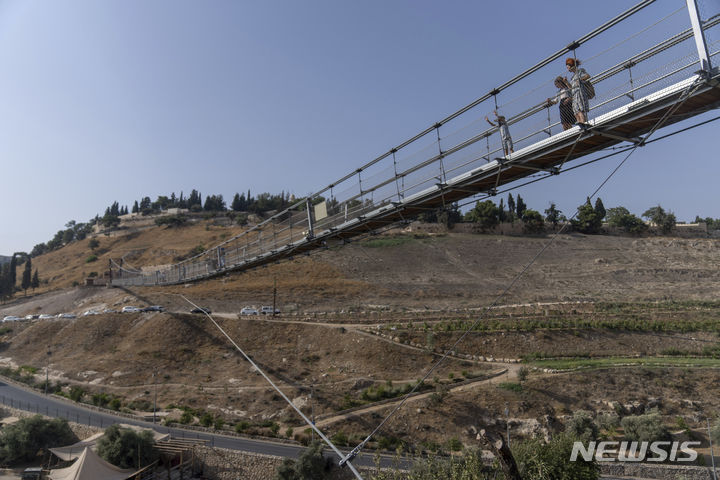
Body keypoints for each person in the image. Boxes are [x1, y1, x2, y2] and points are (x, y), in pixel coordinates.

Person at [566, 57, 591, 125]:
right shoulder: (572, 77)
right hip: (574, 95)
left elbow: (587, 76)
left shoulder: (580, 71)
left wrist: (580, 79)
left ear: (571, 66)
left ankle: (583, 123)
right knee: (576, 113)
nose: (567, 68)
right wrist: (566, 83)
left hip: (579, 93)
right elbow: (571, 88)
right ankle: (581, 124)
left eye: (568, 66)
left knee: (580, 111)